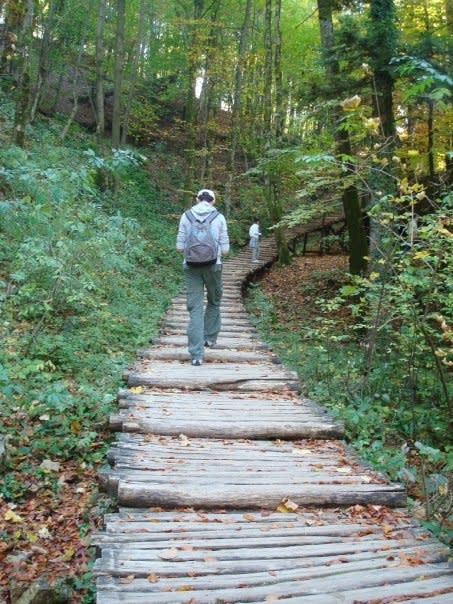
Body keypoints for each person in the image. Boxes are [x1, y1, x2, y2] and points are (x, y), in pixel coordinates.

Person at [176, 189, 230, 366]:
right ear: (213, 201)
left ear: (197, 199)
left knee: (195, 309)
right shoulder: (219, 217)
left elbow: (179, 247)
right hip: (214, 266)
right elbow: (225, 250)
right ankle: (210, 338)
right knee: (214, 301)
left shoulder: (186, 216)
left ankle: (196, 355)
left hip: (191, 267)